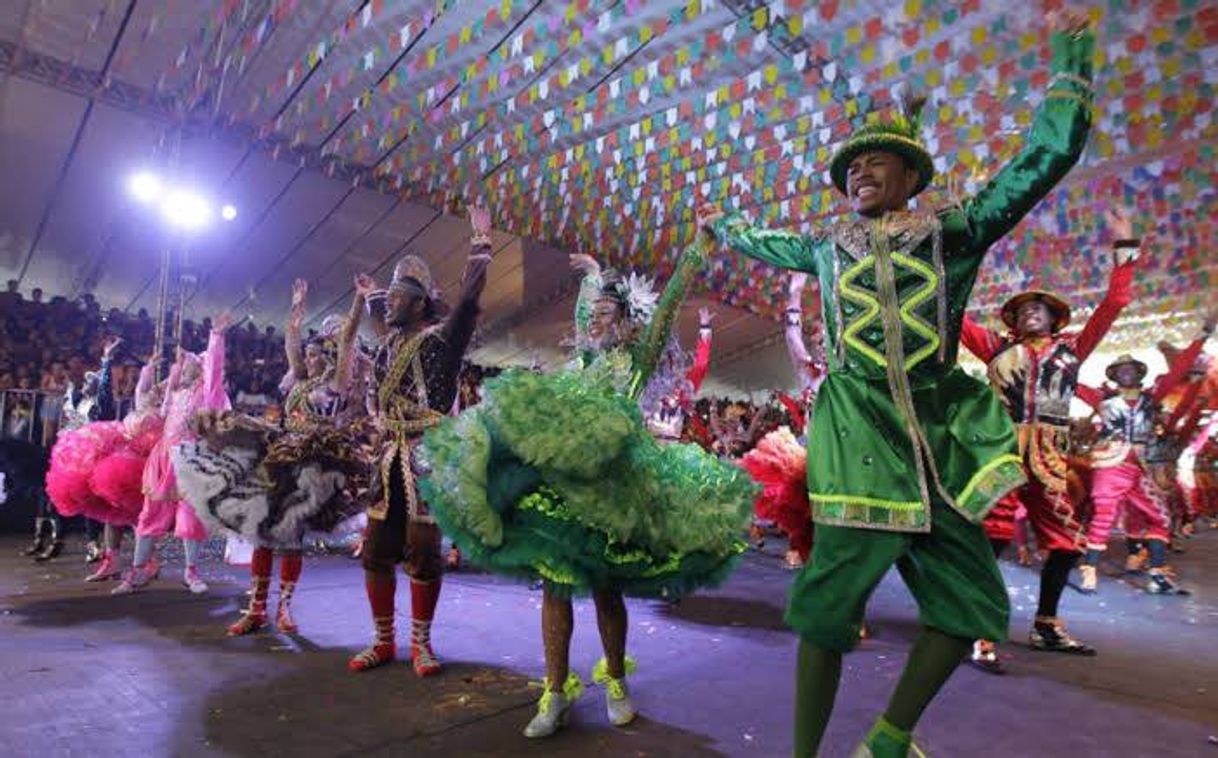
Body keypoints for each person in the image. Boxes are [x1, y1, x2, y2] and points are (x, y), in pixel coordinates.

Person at [696, 10, 1096, 754]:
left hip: (937, 447)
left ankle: (886, 739)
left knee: (972, 603)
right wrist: (721, 228)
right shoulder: (824, 247)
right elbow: (762, 240)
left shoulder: (953, 233)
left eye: (877, 161)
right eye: (851, 165)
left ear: (913, 176)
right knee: (827, 603)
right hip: (857, 434)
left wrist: (1073, 50)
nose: (859, 172)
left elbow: (1039, 164)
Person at [418, 243, 756, 739]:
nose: (594, 322)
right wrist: (591, 277)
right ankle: (555, 692)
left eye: (605, 314)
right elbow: (584, 314)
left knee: (605, 589)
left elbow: (664, 311)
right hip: (561, 489)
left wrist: (693, 253)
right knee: (556, 584)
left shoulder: (633, 361)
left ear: (625, 323)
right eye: (592, 314)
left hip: (615, 490)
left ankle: (616, 682)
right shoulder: (578, 365)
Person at [956, 207, 1138, 672]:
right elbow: (950, 316)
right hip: (1001, 452)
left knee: (1065, 542)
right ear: (1013, 318)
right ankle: (977, 629)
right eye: (1023, 308)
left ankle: (1046, 623)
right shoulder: (996, 347)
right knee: (991, 539)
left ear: (1055, 318)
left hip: (1052, 459)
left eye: (1041, 308)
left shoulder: (1072, 350)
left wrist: (1124, 251)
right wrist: (950, 262)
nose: (1032, 311)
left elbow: (1113, 306)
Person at [174, 280, 372, 636]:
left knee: (291, 541)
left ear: (329, 361)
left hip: (312, 468)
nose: (308, 361)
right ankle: (256, 609)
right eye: (307, 356)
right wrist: (296, 310)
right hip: (280, 459)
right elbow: (291, 343)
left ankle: (284, 608)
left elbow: (346, 342)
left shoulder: (336, 384)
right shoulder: (298, 381)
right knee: (262, 536)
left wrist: (358, 299)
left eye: (315, 356)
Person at [348, 202, 494, 676]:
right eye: (385, 299)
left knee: (424, 553)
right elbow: (376, 318)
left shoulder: (439, 341)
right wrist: (369, 296)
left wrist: (480, 245)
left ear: (418, 304)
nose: (386, 305)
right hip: (388, 457)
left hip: (428, 456)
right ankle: (383, 640)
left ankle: (422, 645)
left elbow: (469, 302)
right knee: (374, 551)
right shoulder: (389, 343)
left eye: (394, 299)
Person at [1077, 314, 1215, 595]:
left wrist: (1202, 336)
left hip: (1139, 467)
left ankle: (1157, 573)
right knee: (1104, 516)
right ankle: (1089, 569)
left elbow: (1180, 371)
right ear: (1113, 375)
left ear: (1140, 374)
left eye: (1132, 369)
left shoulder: (1151, 399)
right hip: (1109, 465)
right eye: (1121, 370)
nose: (1127, 373)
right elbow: (1073, 385)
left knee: (1161, 516)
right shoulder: (1102, 399)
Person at [113, 314, 234, 594]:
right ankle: (136, 571)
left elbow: (215, 368)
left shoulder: (209, 393)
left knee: (190, 518)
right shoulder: (176, 393)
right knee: (149, 514)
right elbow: (145, 403)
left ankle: (191, 572)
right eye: (187, 362)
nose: (186, 363)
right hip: (164, 460)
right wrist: (146, 374)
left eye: (193, 361)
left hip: (192, 461)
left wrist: (216, 336)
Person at [43, 336, 122, 564]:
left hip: (95, 458)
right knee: (61, 498)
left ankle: (94, 543)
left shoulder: (101, 403)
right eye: (87, 380)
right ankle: (57, 540)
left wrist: (107, 359)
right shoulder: (73, 397)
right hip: (72, 458)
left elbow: (105, 384)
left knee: (93, 502)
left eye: (92, 381)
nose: (88, 383)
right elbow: (65, 418)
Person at [85, 360, 166, 582]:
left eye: (135, 376)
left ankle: (150, 560)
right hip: (122, 465)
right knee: (112, 513)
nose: (131, 380)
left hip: (148, 467)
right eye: (127, 376)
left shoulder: (162, 406)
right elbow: (135, 387)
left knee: (140, 516)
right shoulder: (129, 399)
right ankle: (112, 561)